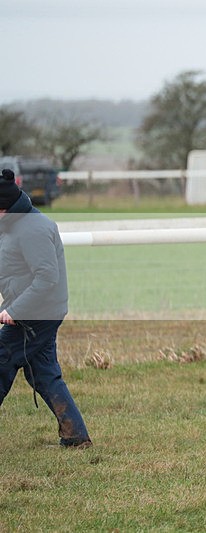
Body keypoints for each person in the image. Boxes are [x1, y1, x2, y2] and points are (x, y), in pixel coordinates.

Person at [0, 168, 92, 448]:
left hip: (36, 314)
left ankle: (75, 436)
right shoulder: (14, 225)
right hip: (35, 311)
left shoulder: (33, 229)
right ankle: (75, 436)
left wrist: (15, 311)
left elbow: (46, 279)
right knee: (43, 372)